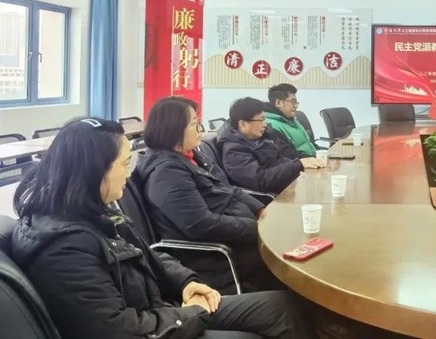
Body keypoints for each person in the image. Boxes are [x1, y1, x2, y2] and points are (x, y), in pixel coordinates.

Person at [11, 117, 316, 339]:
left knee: (279, 306)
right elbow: (116, 329)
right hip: (156, 324)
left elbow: (144, 254)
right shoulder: (63, 246)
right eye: (124, 164)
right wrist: (191, 313)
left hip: (162, 308)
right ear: (93, 170)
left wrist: (185, 282)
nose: (128, 174)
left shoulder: (91, 210)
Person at [137, 96, 281, 294]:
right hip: (218, 254)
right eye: (194, 124)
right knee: (289, 260)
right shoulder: (166, 173)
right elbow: (201, 225)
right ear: (173, 129)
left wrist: (260, 210)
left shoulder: (192, 156)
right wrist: (258, 228)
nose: (200, 129)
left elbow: (229, 189)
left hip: (240, 233)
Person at [218, 97, 325, 195]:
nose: (265, 124)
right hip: (271, 199)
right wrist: (297, 165)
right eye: (261, 119)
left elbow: (281, 158)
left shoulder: (264, 136)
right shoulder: (233, 150)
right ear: (242, 124)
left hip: (289, 186)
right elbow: (260, 180)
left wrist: (303, 164)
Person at [264, 84, 317, 157]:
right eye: (293, 102)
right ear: (278, 103)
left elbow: (308, 144)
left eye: (296, 103)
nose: (295, 106)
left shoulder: (291, 120)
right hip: (301, 163)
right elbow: (288, 156)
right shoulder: (271, 126)